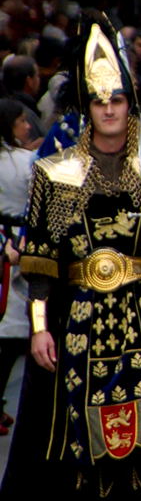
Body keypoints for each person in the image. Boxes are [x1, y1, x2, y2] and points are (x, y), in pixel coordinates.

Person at [1, 14, 141, 500]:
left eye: (117, 100)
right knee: (79, 430)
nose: (109, 109)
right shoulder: (55, 172)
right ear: (87, 107)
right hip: (79, 318)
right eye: (100, 101)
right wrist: (40, 328)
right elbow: (40, 261)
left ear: (131, 104)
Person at [0, 99, 34, 437]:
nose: (27, 126)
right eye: (21, 121)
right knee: (11, 331)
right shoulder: (25, 163)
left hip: (8, 243)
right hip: (14, 245)